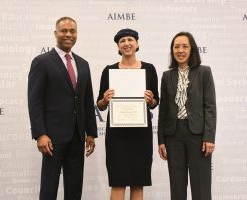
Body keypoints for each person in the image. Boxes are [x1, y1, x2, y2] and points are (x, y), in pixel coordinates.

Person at [28, 16, 97, 200]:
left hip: (77, 136)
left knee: (74, 189)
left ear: (76, 34)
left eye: (72, 31)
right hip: (51, 138)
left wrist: (90, 132)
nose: (68, 34)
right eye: (64, 30)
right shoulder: (41, 62)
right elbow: (34, 102)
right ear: (55, 33)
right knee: (49, 188)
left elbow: (87, 101)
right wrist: (40, 134)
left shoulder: (83, 64)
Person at [97, 28, 159, 200]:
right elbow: (100, 105)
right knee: (118, 182)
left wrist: (151, 99)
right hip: (117, 135)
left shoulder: (149, 69)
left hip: (141, 134)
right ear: (118, 46)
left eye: (130, 40)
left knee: (138, 182)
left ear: (137, 44)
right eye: (122, 41)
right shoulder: (109, 70)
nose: (127, 43)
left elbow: (155, 103)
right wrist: (105, 99)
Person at [158, 31, 216, 200]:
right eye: (176, 47)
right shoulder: (167, 76)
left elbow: (210, 107)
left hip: (198, 135)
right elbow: (163, 110)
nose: (180, 50)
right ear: (172, 50)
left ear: (192, 50)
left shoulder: (204, 72)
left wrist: (209, 137)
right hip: (173, 135)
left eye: (184, 46)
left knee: (201, 185)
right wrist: (161, 140)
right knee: (177, 185)